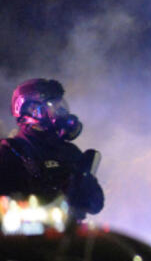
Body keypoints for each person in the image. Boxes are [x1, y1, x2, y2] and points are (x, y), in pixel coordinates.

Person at [0, 78, 104, 220]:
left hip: (68, 239)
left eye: (61, 104)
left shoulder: (70, 151)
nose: (60, 111)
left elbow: (95, 206)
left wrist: (84, 183)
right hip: (28, 240)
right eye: (52, 105)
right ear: (31, 110)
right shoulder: (9, 151)